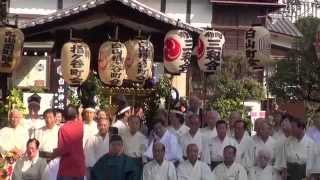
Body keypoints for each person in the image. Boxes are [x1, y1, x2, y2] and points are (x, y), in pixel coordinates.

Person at [53, 105, 85, 180]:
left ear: (64, 116)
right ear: (76, 115)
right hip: (79, 166)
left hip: (67, 167)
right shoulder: (80, 126)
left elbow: (62, 149)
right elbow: (80, 119)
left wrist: (53, 155)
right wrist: (80, 112)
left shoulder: (62, 129)